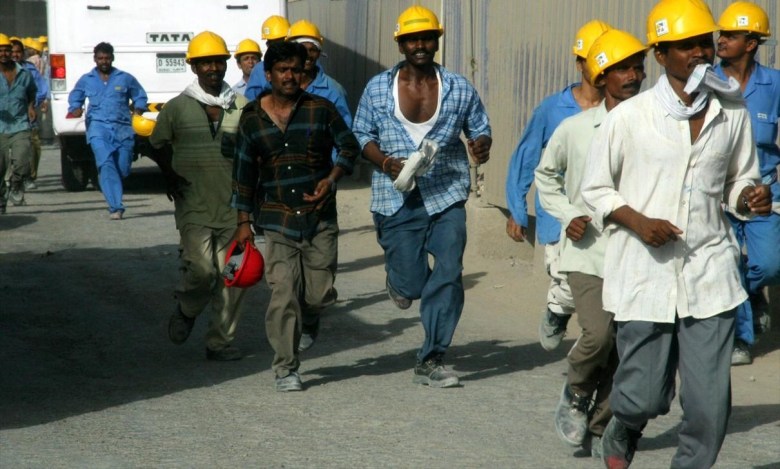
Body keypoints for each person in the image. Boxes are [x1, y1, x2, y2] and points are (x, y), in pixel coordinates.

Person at [580, 1, 773, 467]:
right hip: (646, 274)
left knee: (709, 407)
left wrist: (749, 197)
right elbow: (595, 189)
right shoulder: (630, 117)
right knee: (643, 398)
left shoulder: (732, 111)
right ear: (660, 55)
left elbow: (738, 180)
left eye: (703, 43)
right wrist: (638, 222)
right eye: (685, 46)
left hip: (709, 271)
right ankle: (624, 425)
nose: (699, 53)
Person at [352, 5, 492, 388]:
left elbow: (479, 127)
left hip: (446, 191)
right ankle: (400, 282)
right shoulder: (378, 88)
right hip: (395, 197)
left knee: (448, 272)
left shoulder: (459, 87)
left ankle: (432, 357)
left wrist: (481, 145)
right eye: (412, 39)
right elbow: (361, 134)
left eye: (427, 38)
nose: (420, 45)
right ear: (400, 43)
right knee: (414, 284)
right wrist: (385, 163)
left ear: (437, 41)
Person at [535, 29, 647, 458]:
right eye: (622, 68)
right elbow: (546, 176)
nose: (633, 76)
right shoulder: (576, 128)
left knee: (622, 345)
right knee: (599, 335)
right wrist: (569, 215)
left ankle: (601, 425)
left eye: (638, 67)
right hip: (589, 253)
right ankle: (577, 391)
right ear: (601, 76)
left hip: (637, 254)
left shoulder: (654, 127)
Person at [231, 41, 360, 391]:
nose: (290, 76)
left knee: (318, 295)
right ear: (268, 74)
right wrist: (243, 222)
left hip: (319, 218)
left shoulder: (322, 109)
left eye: (296, 70)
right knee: (283, 292)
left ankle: (313, 315)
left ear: (304, 73)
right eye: (282, 70)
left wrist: (331, 179)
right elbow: (243, 173)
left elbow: (350, 146)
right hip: (275, 219)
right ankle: (286, 368)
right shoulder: (252, 119)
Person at [505, 20, 610, 352]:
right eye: (593, 60)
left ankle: (594, 337)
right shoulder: (553, 109)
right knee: (566, 278)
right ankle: (557, 309)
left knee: (603, 280)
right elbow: (526, 156)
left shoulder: (621, 110)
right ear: (580, 63)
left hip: (605, 213)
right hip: (560, 216)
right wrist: (517, 210)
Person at [148, 31, 249, 361]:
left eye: (218, 61)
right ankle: (188, 309)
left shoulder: (242, 108)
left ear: (225, 64)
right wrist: (170, 175)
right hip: (193, 204)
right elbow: (158, 144)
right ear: (193, 67)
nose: (212, 68)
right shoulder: (177, 108)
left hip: (234, 208)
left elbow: (255, 154)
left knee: (232, 278)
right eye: (205, 62)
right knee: (203, 271)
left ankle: (220, 343)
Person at [713, 0, 780, 366]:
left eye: (731, 35)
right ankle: (740, 338)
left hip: (763, 191)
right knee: (726, 263)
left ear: (751, 43)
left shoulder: (775, 84)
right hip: (718, 192)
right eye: (721, 34)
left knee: (769, 264)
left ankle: (753, 297)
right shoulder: (705, 80)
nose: (721, 40)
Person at [68, 42, 147, 220]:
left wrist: (139, 108)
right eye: (100, 58)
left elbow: (140, 95)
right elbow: (76, 96)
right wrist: (76, 107)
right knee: (106, 163)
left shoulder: (125, 78)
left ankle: (111, 182)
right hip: (98, 127)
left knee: (123, 168)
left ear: (112, 58)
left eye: (107, 58)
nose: (104, 61)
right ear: (95, 59)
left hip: (123, 129)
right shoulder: (86, 79)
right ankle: (115, 207)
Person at [0, 33, 37, 214]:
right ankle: (1, 197)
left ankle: (16, 185)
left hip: (20, 124)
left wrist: (31, 107)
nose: (4, 53)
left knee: (22, 159)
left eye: (7, 50)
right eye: (0, 50)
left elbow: (31, 92)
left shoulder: (24, 74)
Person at [11, 38, 48, 190]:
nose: (14, 55)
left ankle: (29, 177)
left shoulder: (30, 69)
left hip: (27, 116)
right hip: (6, 117)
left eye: (18, 52)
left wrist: (32, 104)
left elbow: (42, 89)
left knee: (33, 146)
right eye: (11, 52)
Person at [244, 15, 290, 100]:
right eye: (272, 44)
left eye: (280, 43)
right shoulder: (259, 69)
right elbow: (250, 103)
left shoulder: (301, 64)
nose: (278, 48)